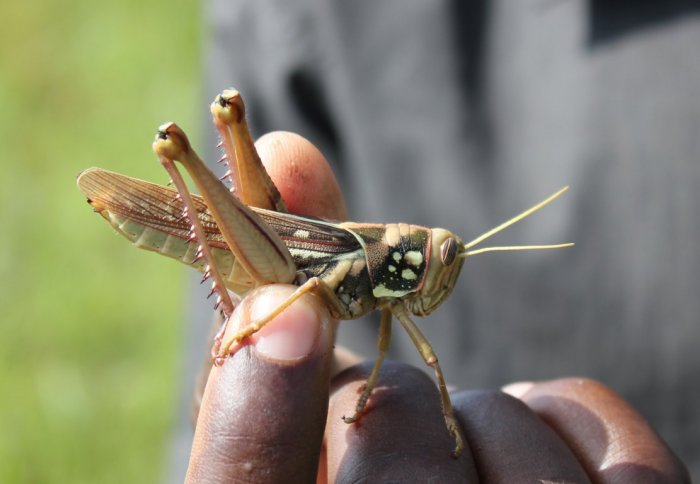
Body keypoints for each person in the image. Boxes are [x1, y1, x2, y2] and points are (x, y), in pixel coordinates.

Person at [170, 1, 700, 481]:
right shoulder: (297, 17)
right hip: (278, 249)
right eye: (447, 258)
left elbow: (381, 344)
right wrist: (241, 339)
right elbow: (329, 303)